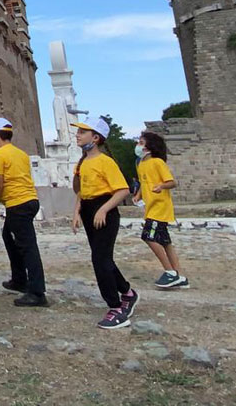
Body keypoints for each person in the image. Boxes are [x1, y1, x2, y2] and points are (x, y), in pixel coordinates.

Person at [70, 117, 138, 329]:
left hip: (105, 210)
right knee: (103, 258)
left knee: (100, 259)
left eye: (83, 131)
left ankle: (116, 308)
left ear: (96, 137)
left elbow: (123, 190)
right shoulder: (81, 163)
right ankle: (127, 291)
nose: (78, 135)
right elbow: (81, 191)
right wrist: (76, 213)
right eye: (78, 131)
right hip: (89, 210)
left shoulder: (105, 162)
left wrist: (104, 209)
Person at [0, 117, 48, 307]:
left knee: (27, 247)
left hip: (17, 203)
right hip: (30, 200)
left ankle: (37, 292)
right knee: (9, 236)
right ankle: (19, 278)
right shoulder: (20, 153)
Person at [135, 131, 189, 289]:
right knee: (165, 242)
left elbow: (171, 182)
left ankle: (170, 272)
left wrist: (161, 186)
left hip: (159, 208)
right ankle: (180, 275)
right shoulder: (141, 164)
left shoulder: (158, 162)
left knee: (148, 236)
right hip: (150, 207)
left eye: (141, 142)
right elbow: (142, 181)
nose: (138, 145)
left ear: (149, 146)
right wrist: (138, 195)